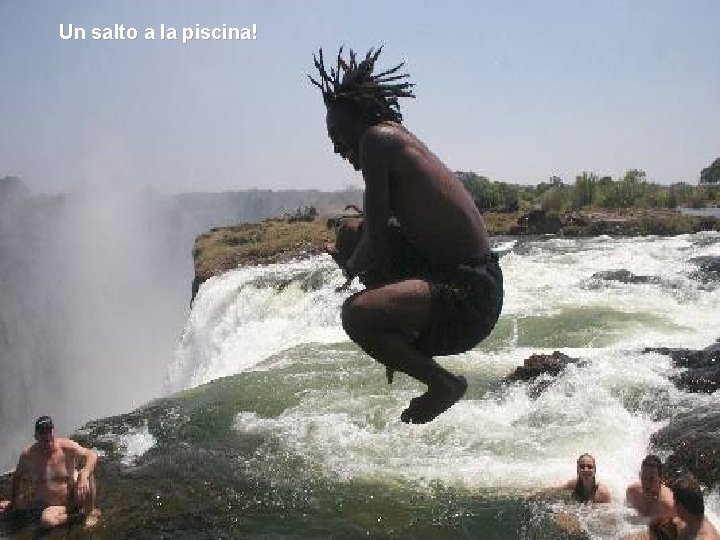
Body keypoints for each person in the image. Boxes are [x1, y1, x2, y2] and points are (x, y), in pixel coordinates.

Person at [310, 46, 504, 424]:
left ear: (362, 118)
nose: (336, 147)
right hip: (459, 278)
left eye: (338, 134)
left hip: (470, 297)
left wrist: (348, 271)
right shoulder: (391, 139)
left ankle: (443, 384)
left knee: (356, 315)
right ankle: (399, 328)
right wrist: (352, 251)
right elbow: (371, 231)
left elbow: (379, 240)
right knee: (350, 231)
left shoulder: (376, 142)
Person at [0, 416, 101, 529]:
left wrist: (84, 474)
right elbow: (17, 477)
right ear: (36, 436)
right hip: (52, 506)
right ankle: (78, 515)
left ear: (54, 432)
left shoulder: (66, 447)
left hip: (75, 497)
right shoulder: (28, 456)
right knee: (47, 521)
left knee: (87, 474)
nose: (47, 435)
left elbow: (91, 454)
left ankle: (91, 511)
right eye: (42, 433)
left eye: (49, 431)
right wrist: (13, 503)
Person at [671, 473, 720, 539]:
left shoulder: (705, 537)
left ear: (681, 508)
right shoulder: (693, 524)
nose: (673, 505)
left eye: (675, 502)